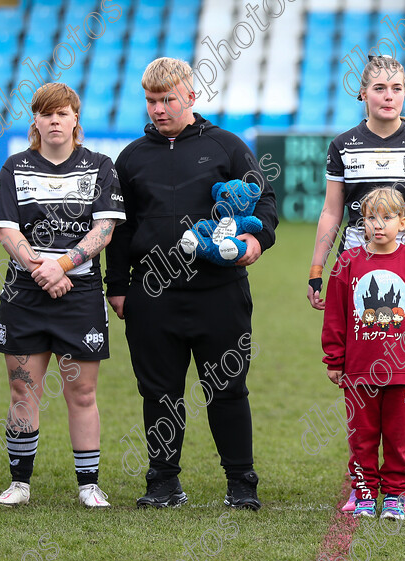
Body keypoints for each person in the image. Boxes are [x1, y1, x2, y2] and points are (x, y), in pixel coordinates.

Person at [104, 58, 278, 509]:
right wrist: (117, 287)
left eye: (167, 99)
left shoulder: (227, 147)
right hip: (151, 295)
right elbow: (120, 228)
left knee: (227, 389)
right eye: (151, 100)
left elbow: (267, 203)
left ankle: (242, 483)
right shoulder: (131, 157)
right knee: (159, 392)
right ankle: (162, 482)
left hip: (219, 291)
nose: (159, 109)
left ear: (191, 97)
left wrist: (256, 240)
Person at [307, 54, 405, 516]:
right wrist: (318, 269)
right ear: (363, 93)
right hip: (354, 273)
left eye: (396, 88)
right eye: (379, 88)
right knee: (361, 380)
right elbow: (333, 211)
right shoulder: (343, 144)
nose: (388, 95)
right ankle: (364, 483)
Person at [0, 82, 125, 507]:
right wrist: (40, 269)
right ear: (36, 121)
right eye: (47, 114)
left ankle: (88, 485)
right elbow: (6, 230)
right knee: (22, 389)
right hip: (24, 294)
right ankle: (20, 484)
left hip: (79, 293)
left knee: (81, 393)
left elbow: (105, 228)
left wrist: (60, 266)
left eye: (62, 113)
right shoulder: (15, 167)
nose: (54, 121)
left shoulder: (100, 166)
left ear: (75, 119)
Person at [321, 188, 405, 520]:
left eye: (387, 217)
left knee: (398, 437)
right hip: (359, 371)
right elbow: (335, 315)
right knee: (362, 438)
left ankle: (394, 495)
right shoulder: (347, 262)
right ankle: (363, 493)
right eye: (371, 218)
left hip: (402, 370)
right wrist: (334, 358)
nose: (378, 225)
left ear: (404, 223)